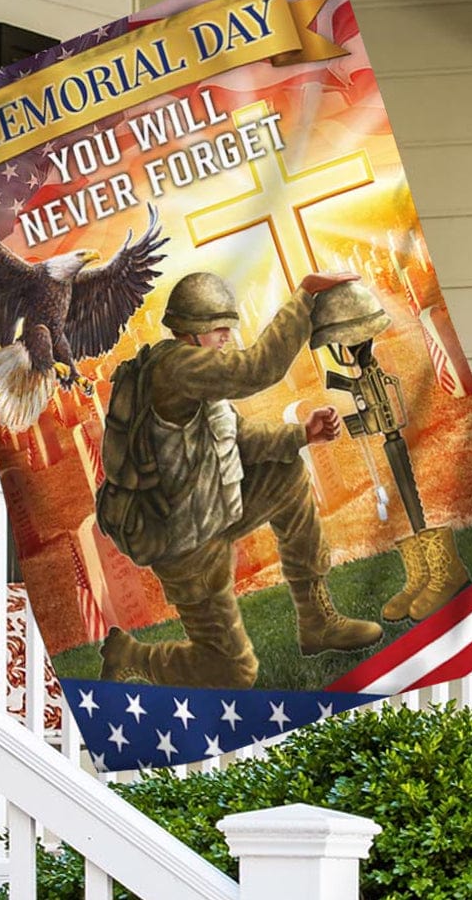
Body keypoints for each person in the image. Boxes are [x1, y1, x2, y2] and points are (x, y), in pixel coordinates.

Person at [99, 270, 382, 688]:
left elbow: (241, 439)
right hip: (185, 543)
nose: (228, 338)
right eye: (220, 330)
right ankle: (133, 655)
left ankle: (316, 620)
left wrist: (301, 434)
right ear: (193, 332)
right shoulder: (177, 368)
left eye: (229, 329)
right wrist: (304, 296)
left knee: (286, 474)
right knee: (233, 673)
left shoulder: (198, 378)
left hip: (217, 508)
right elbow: (256, 369)